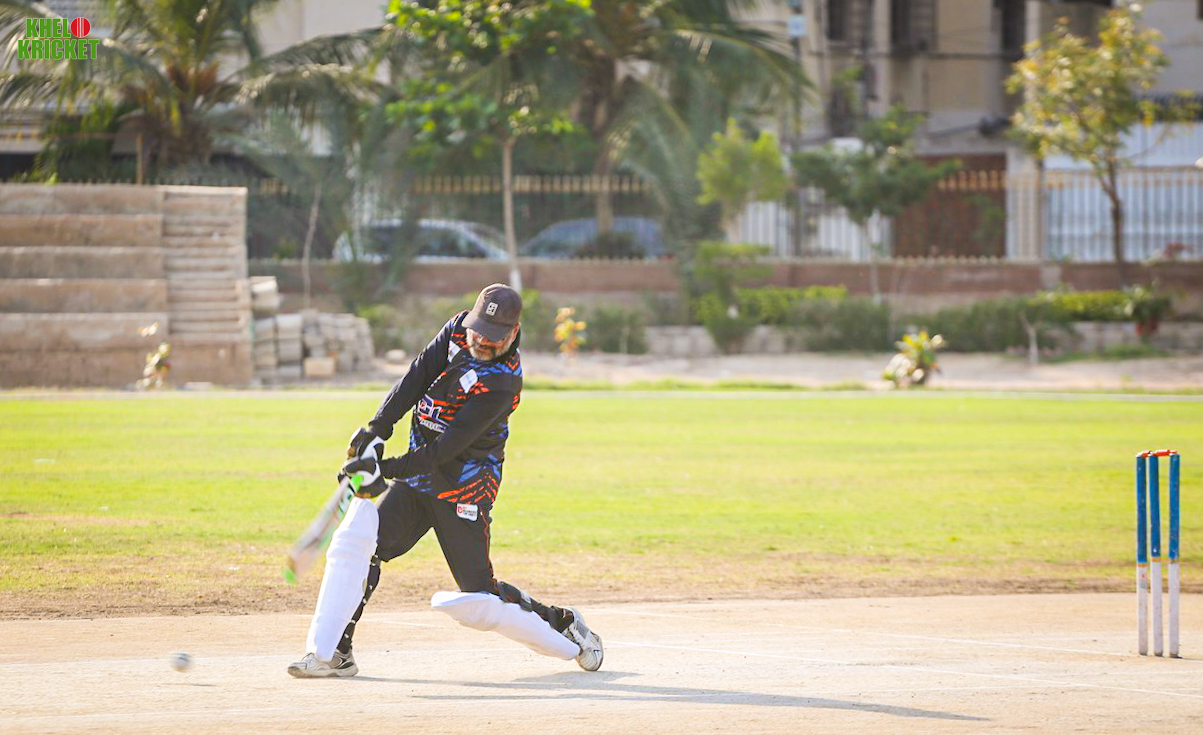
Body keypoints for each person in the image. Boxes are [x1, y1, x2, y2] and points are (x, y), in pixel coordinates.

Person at [288, 283, 603, 678]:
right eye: (478, 330)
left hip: (463, 488)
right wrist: (376, 431)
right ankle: (337, 652)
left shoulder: (503, 382)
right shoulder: (456, 330)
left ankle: (566, 625)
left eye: (493, 336)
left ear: (514, 332)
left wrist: (383, 469)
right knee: (365, 548)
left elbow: (446, 450)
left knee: (479, 594)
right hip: (417, 478)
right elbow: (416, 377)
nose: (481, 340)